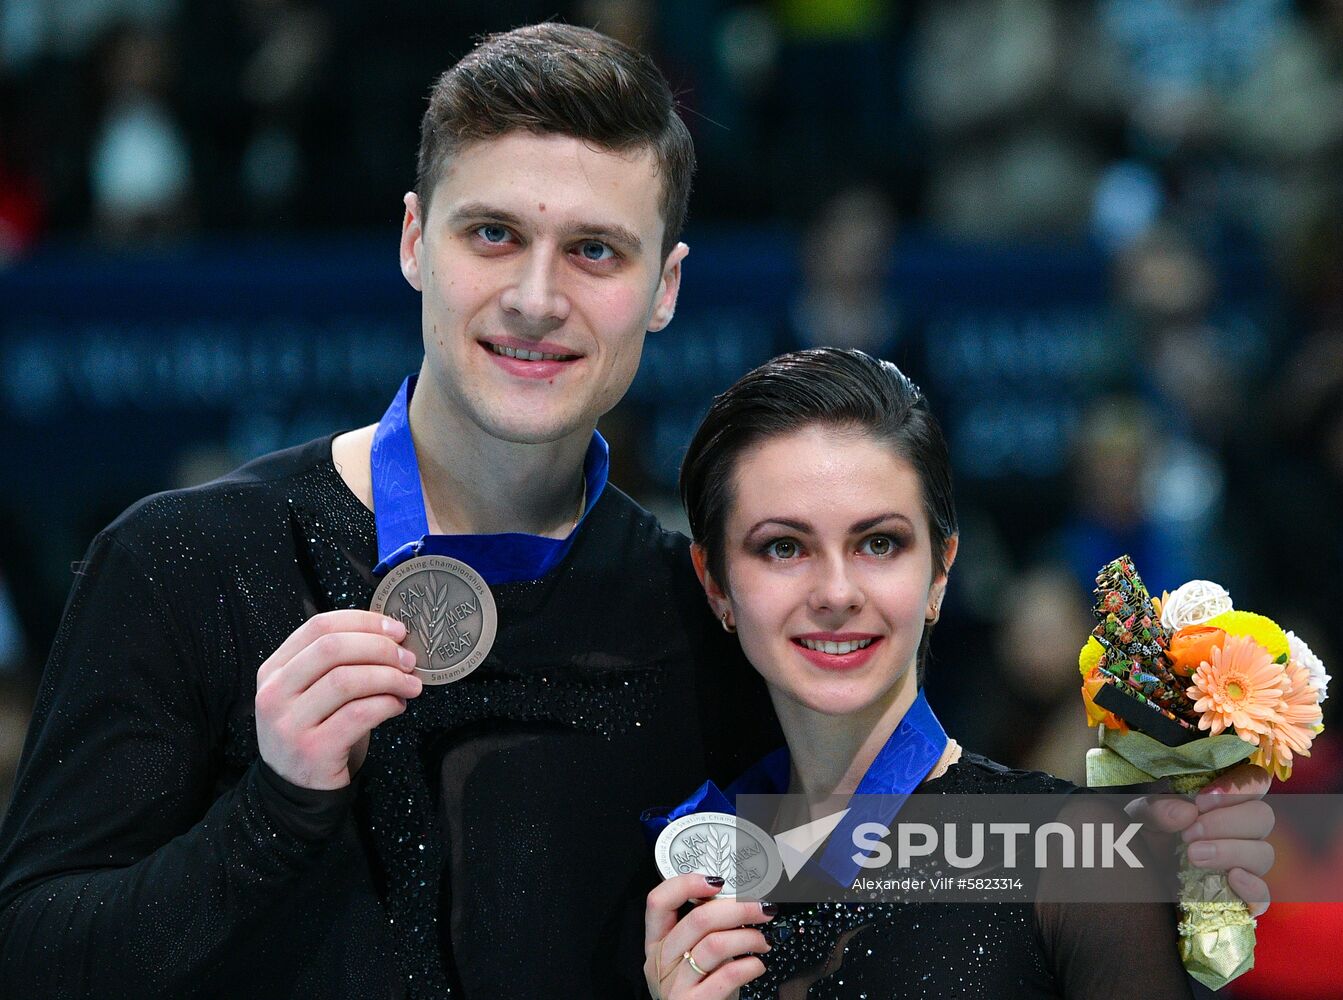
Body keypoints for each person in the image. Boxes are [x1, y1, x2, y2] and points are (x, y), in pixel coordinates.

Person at [0, 23, 1272, 1000]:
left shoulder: (701, 619)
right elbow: (34, 959)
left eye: (595, 251)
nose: (539, 297)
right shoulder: (185, 562)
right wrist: (270, 809)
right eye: (492, 234)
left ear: (663, 289)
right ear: (411, 241)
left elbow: (891, 854)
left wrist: (1168, 857)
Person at [643, 348, 1277, 999]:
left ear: (940, 573)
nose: (836, 592)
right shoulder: (693, 880)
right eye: (783, 547)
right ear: (716, 585)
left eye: (878, 543)